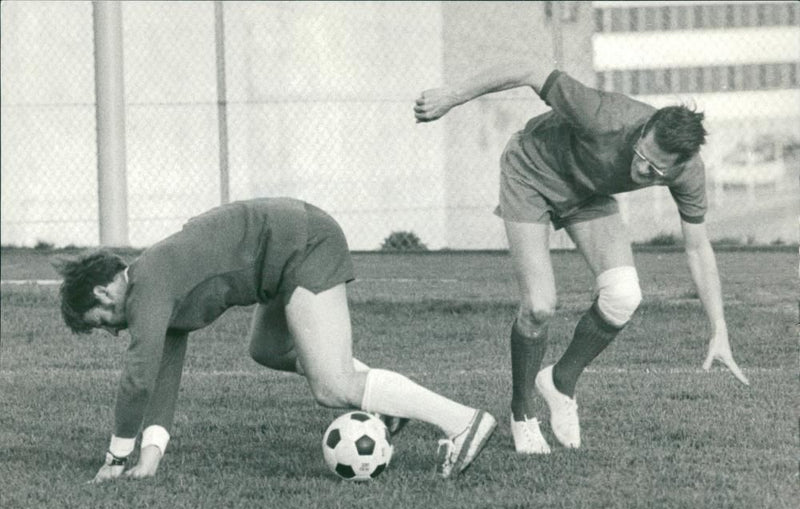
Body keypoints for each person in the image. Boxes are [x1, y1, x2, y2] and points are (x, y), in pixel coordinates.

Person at [414, 63, 748, 454]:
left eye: (655, 169)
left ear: (676, 168)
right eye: (642, 154)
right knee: (539, 306)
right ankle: (522, 412)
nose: (641, 168)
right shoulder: (603, 114)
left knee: (623, 296)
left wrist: (719, 329)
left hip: (587, 194)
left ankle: (560, 381)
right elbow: (527, 67)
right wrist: (452, 96)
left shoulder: (688, 172)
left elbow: (697, 247)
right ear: (643, 131)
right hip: (531, 172)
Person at [56, 198, 496, 481]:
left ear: (102, 291)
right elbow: (161, 377)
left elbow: (137, 379)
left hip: (306, 245)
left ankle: (462, 422)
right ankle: (383, 404)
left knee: (332, 386)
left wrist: (117, 456)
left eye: (101, 322)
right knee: (268, 349)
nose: (113, 331)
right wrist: (149, 456)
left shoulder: (147, 286)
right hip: (283, 260)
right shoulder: (155, 289)